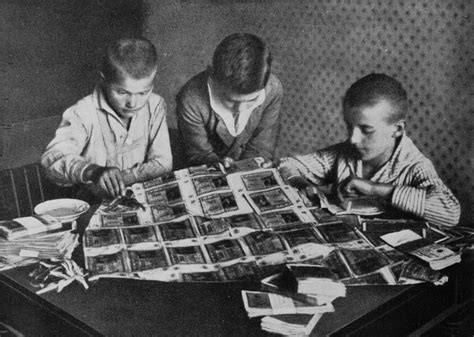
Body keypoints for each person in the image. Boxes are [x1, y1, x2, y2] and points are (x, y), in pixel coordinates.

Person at [279, 73, 460, 228]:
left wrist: (374, 188)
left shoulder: (415, 166)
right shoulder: (345, 153)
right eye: (350, 127)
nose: (353, 138)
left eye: (366, 130)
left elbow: (450, 214)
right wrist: (303, 184)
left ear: (397, 130)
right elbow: (288, 164)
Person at [41, 37, 172, 200]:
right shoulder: (82, 112)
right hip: (91, 204)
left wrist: (121, 179)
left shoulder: (155, 104)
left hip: (139, 199)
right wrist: (92, 171)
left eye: (142, 93)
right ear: (104, 80)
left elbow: (163, 163)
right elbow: (52, 161)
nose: (133, 103)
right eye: (122, 92)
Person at [176, 33, 283, 168]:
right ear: (213, 78)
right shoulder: (191, 99)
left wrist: (255, 164)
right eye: (230, 100)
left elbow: (262, 147)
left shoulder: (273, 89)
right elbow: (198, 155)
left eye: (252, 100)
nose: (240, 109)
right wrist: (216, 164)